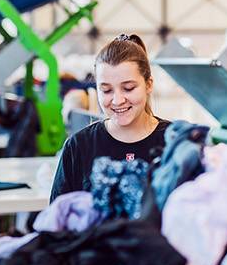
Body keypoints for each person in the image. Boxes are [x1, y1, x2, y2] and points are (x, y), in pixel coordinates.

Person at [49, 34, 173, 200]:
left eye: (128, 88)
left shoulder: (174, 143)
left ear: (149, 84)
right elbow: (58, 218)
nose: (117, 100)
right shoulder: (78, 147)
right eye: (106, 90)